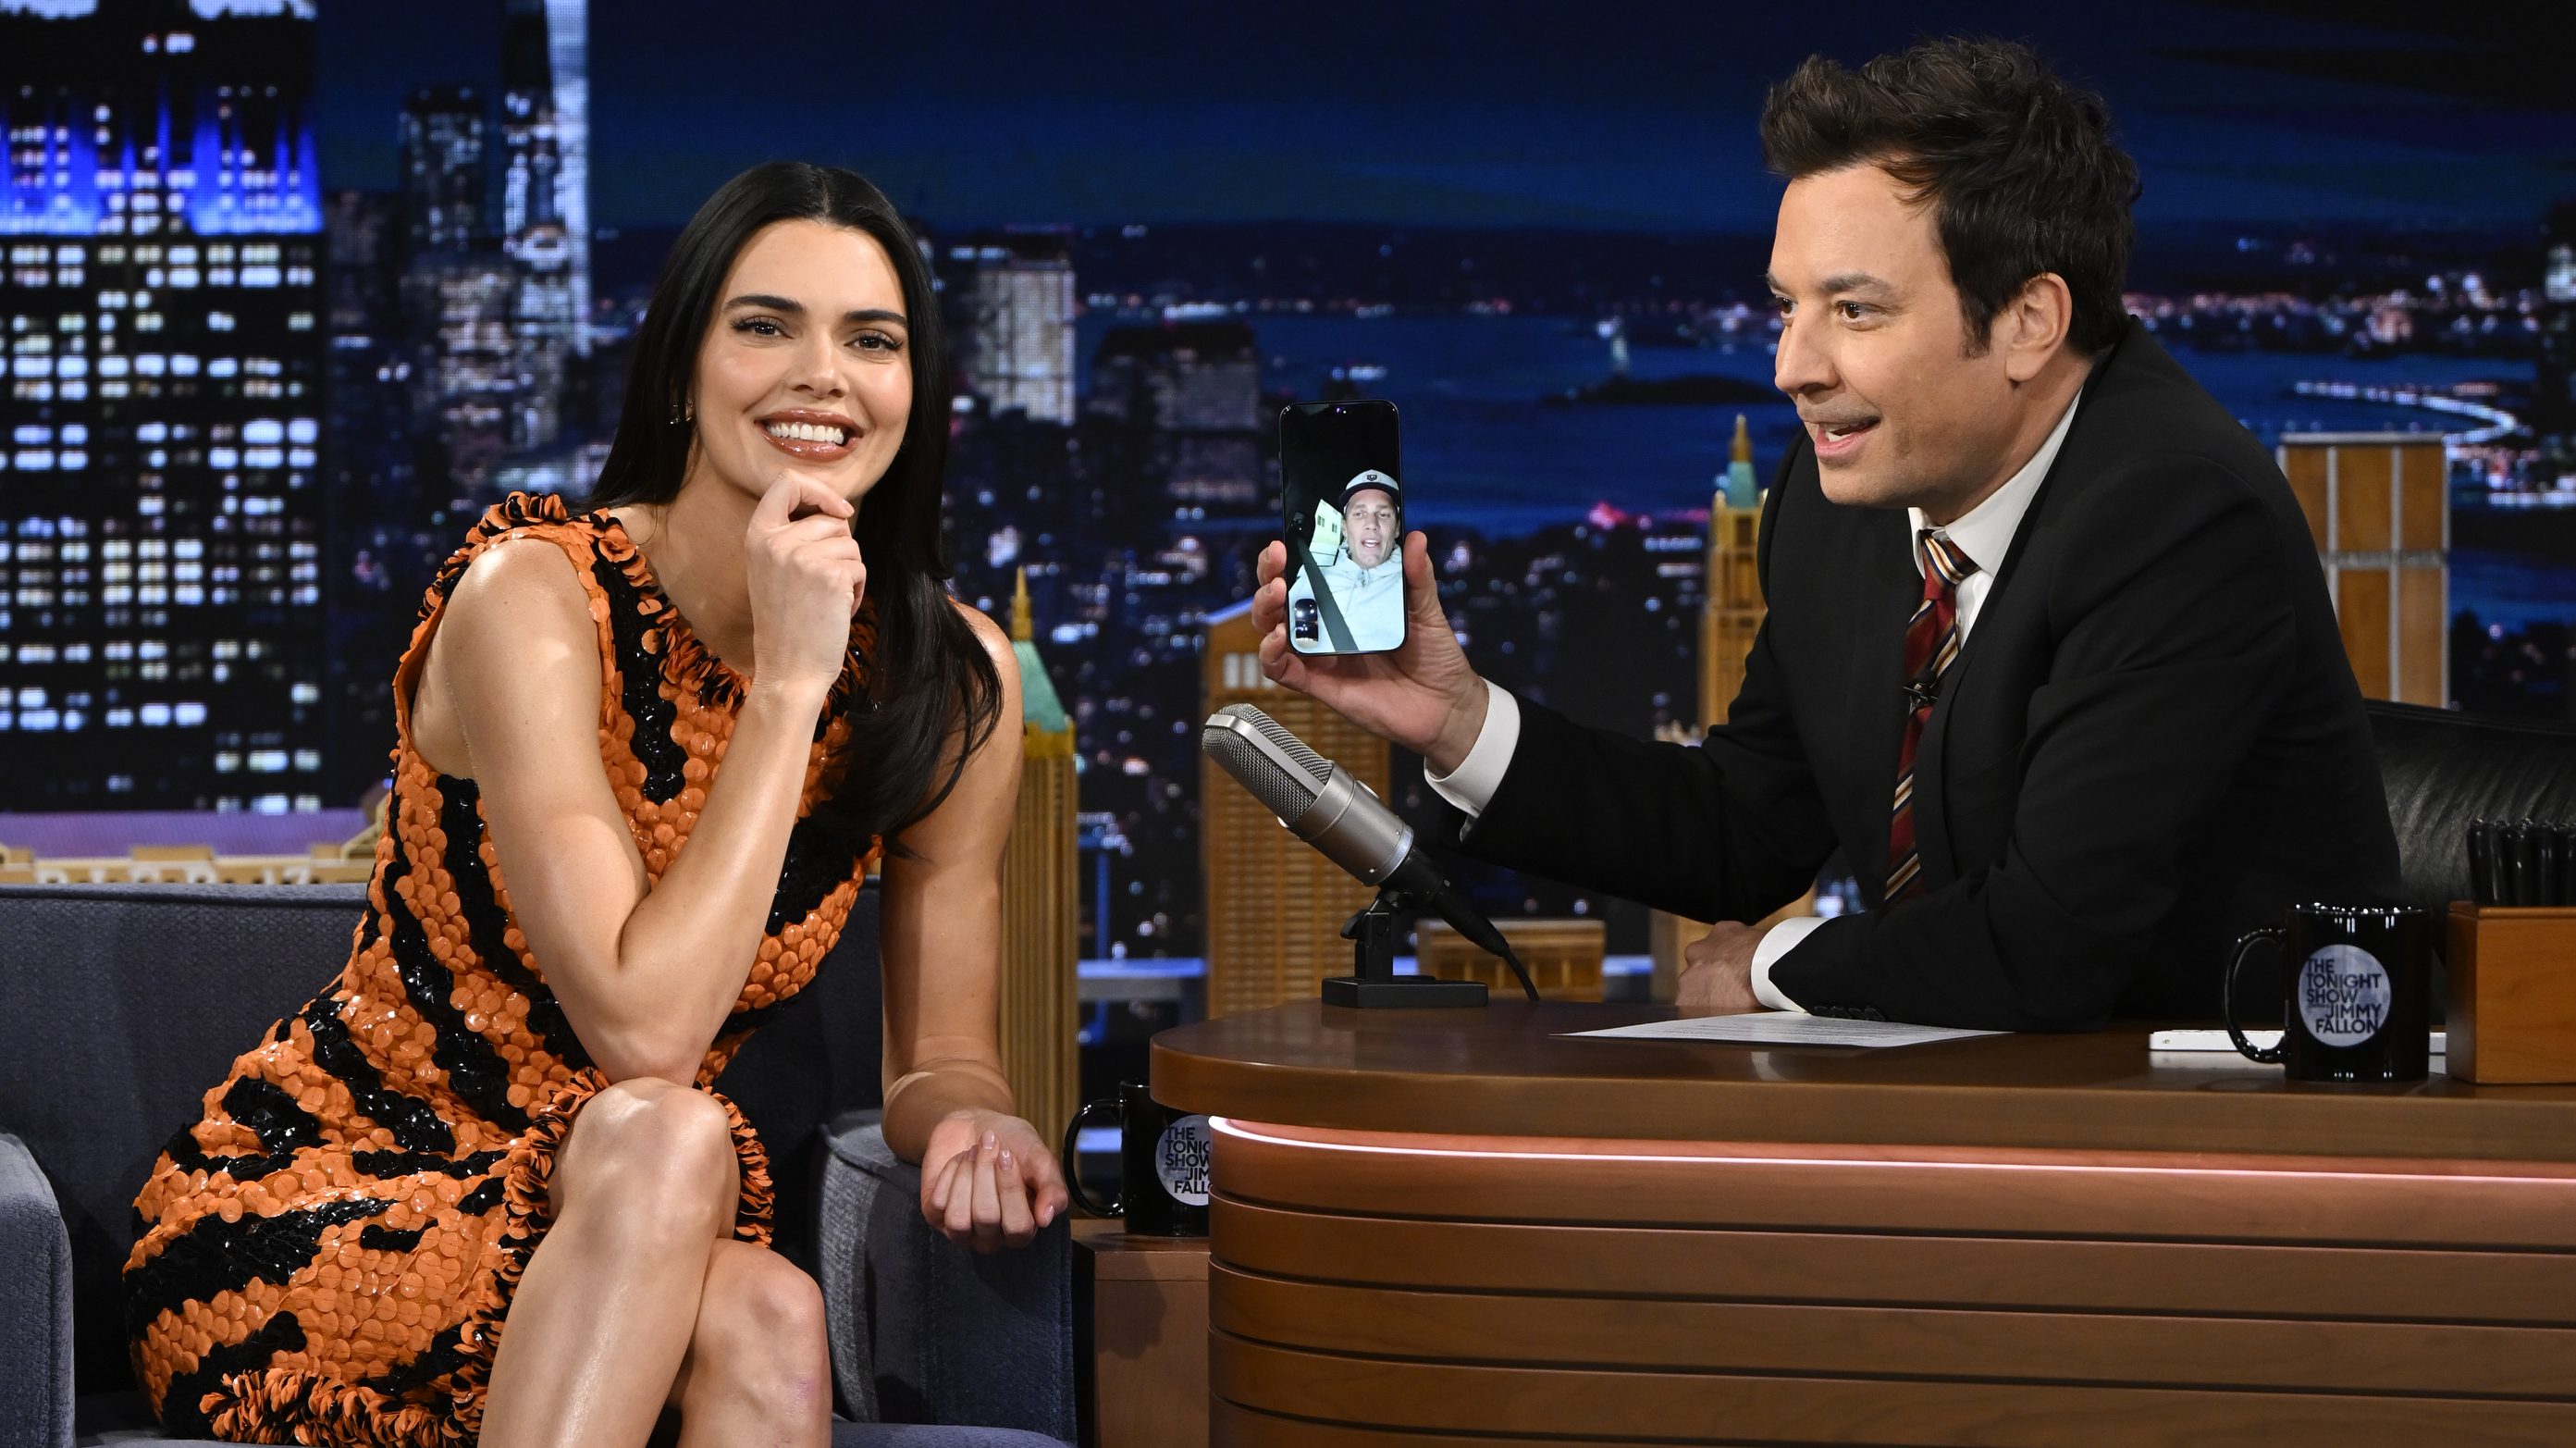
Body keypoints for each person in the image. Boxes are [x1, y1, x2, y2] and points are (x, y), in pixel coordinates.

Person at [125, 162, 1068, 1447]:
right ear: (681, 369)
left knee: (770, 1310)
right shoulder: (536, 599)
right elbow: (645, 1032)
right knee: (672, 1130)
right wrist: (790, 683)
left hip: (635, 1212)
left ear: (918, 390)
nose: (822, 376)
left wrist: (974, 1119)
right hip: (337, 1208)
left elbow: (939, 1054)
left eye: (872, 340)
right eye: (765, 326)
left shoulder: (948, 683)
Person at [1252, 39, 2400, 1032]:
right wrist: (1458, 720)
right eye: (1786, 307)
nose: (1792, 367)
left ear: (2028, 321)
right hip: (1971, 1115)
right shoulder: (1837, 498)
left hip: (2222, 1149)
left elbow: (2049, 942)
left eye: (1853, 310)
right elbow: (1742, 828)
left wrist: (1765, 966)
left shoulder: (2176, 514)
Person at [1287, 470, 1407, 652]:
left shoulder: (1412, 589)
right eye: (1359, 514)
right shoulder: (1311, 581)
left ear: (1397, 528)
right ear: (1344, 527)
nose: (1371, 524)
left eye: (1383, 514)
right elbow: (1300, 642)